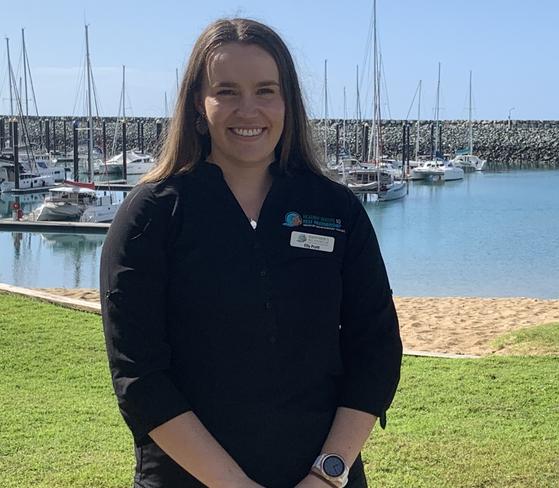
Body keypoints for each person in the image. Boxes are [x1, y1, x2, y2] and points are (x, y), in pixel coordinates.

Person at [100, 18, 402, 488]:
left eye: (265, 90)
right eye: (226, 91)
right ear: (199, 107)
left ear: (288, 104)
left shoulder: (335, 208)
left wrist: (329, 473)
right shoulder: (152, 215)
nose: (248, 109)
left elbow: (376, 347)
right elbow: (140, 378)